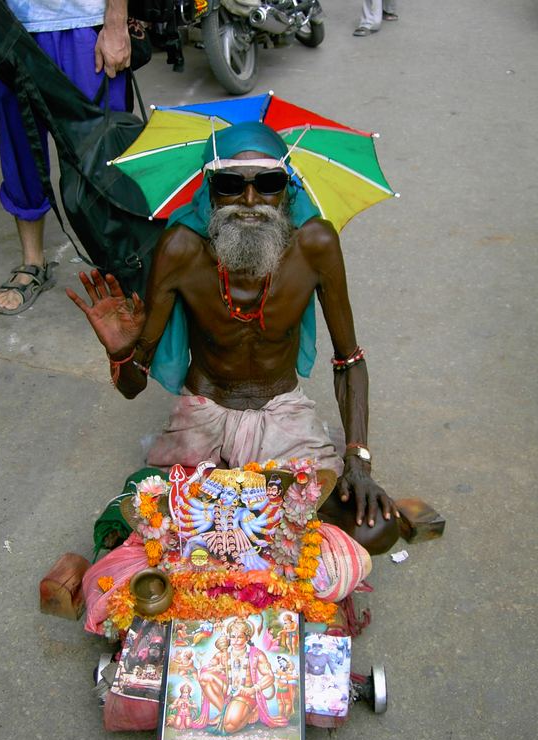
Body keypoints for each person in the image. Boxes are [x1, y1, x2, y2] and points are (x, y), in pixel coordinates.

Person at [67, 120, 400, 555]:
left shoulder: (316, 243)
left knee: (374, 529)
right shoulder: (181, 248)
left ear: (288, 189)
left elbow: (348, 360)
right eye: (229, 184)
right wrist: (122, 351)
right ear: (209, 189)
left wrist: (358, 460)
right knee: (149, 531)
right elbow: (132, 387)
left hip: (283, 415)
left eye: (268, 183)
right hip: (204, 418)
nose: (249, 200)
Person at [0, 0, 130, 315]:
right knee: (19, 148)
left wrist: (117, 21)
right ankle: (33, 262)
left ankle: (121, 264)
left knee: (103, 151)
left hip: (84, 20)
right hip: (9, 25)